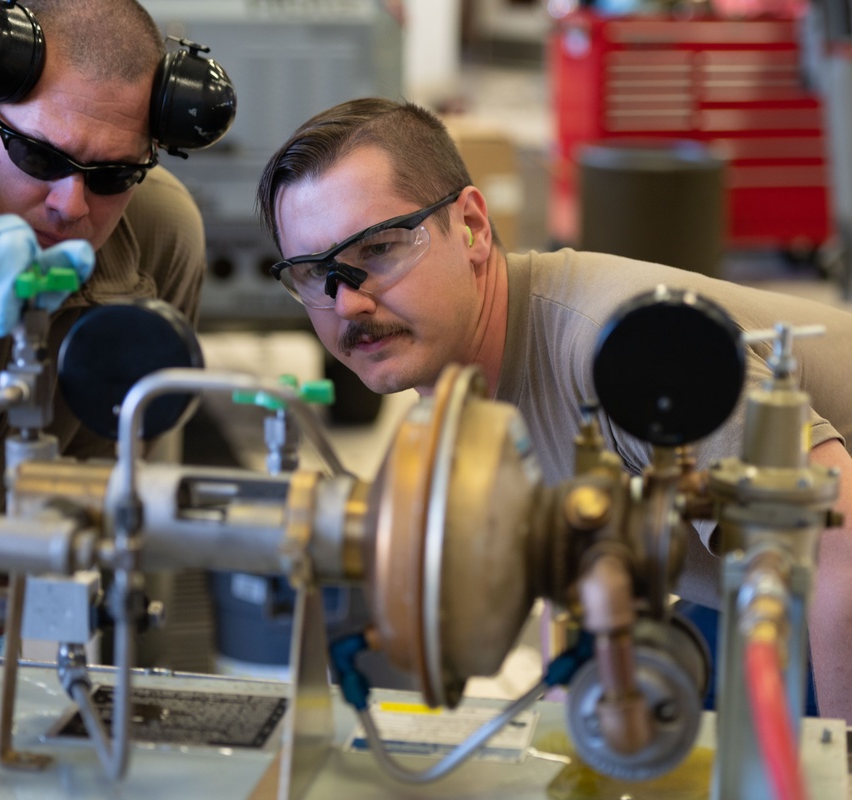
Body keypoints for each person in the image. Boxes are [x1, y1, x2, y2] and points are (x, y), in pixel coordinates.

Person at [255, 97, 852, 724]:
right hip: (748, 587)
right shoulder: (459, 401)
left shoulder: (623, 354)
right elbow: (565, 562)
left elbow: (836, 543)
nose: (346, 305)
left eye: (377, 250)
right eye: (313, 274)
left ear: (473, 228)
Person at [0, 0, 231, 733]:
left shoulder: (156, 239)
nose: (70, 205)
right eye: (41, 158)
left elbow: (67, 484)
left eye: (115, 174)